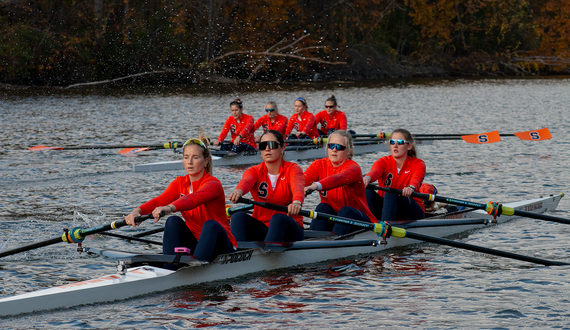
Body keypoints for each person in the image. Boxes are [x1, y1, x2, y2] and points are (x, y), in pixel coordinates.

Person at [125, 136, 237, 269]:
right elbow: (159, 200)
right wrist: (136, 212)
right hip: (196, 245)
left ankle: (194, 270)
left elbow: (193, 199)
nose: (190, 162)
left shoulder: (213, 184)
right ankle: (169, 268)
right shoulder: (179, 183)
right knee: (172, 221)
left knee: (210, 225)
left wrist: (169, 208)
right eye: (186, 157)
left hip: (222, 246)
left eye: (195, 157)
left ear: (205, 161)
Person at [228, 130, 305, 242]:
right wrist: (238, 192)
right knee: (237, 217)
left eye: (272, 145)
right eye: (263, 146)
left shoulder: (293, 169)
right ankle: (239, 254)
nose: (267, 149)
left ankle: (267, 254)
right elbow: (246, 181)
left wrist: (296, 203)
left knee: (278, 218)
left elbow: (298, 187)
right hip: (263, 229)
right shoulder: (254, 171)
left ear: (282, 149)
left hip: (290, 229)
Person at [304, 130, 377, 235]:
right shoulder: (318, 165)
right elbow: (301, 180)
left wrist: (315, 186)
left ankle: (334, 244)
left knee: (345, 211)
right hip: (335, 215)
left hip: (358, 219)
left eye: (339, 147)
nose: (334, 150)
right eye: (331, 146)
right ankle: (313, 239)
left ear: (348, 151)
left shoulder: (353, 168)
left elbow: (337, 179)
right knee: (323, 207)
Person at [363, 128, 426, 221]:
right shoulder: (383, 161)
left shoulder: (418, 164)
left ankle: (384, 226)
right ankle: (370, 223)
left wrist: (411, 188)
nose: (395, 145)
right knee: (367, 189)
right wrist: (367, 178)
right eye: (392, 142)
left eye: (400, 142)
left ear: (409, 147)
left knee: (391, 192)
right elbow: (374, 172)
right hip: (386, 207)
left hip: (411, 210)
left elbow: (417, 179)